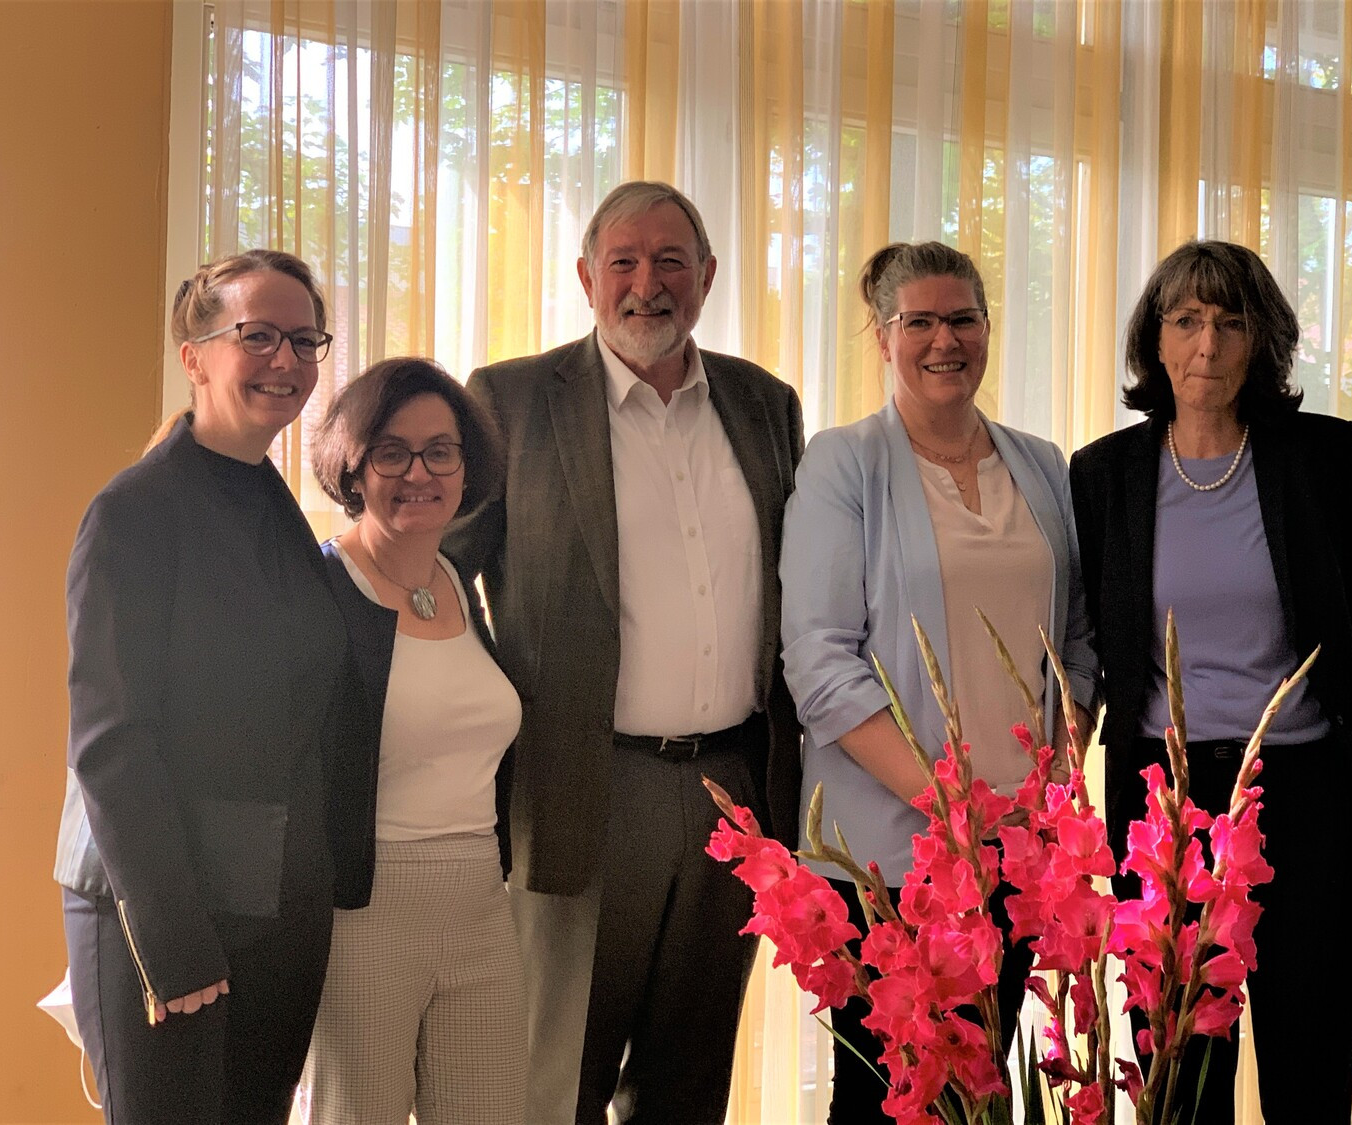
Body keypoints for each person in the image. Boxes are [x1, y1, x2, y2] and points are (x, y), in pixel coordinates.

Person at [445, 180, 804, 1125]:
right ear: (585, 276)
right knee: (554, 1080)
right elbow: (439, 572)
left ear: (710, 276)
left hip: (734, 794)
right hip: (576, 787)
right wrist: (486, 710)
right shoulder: (513, 399)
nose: (649, 284)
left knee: (689, 1086)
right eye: (625, 262)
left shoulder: (767, 405)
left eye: (672, 260)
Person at [1069, 239, 1352, 1122]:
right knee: (1182, 1075)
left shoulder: (1324, 456)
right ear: (1156, 339)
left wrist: (1284, 726)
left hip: (1311, 796)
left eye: (1230, 322)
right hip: (1166, 805)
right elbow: (1096, 633)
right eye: (1186, 321)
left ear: (1263, 342)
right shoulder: (1104, 474)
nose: (1207, 345)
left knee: (1309, 1061)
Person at [779, 240, 1100, 1122]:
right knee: (886, 1093)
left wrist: (1046, 784)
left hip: (1017, 843)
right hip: (893, 849)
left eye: (961, 319)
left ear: (988, 330)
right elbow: (817, 658)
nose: (942, 340)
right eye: (917, 321)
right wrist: (949, 803)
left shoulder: (1042, 465)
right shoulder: (842, 463)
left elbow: (1076, 641)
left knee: (978, 1082)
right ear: (883, 337)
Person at [53, 249, 354, 1124]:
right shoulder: (135, 511)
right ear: (194, 353)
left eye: (304, 340)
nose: (286, 361)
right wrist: (174, 941)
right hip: (164, 909)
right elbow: (111, 740)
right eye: (257, 335)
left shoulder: (274, 503)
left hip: (276, 902)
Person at [299, 357, 527, 1124]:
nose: (418, 471)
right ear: (353, 466)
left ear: (468, 468)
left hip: (481, 907)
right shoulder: (321, 588)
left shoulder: (459, 583)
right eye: (390, 451)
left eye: (440, 450)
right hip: (365, 915)